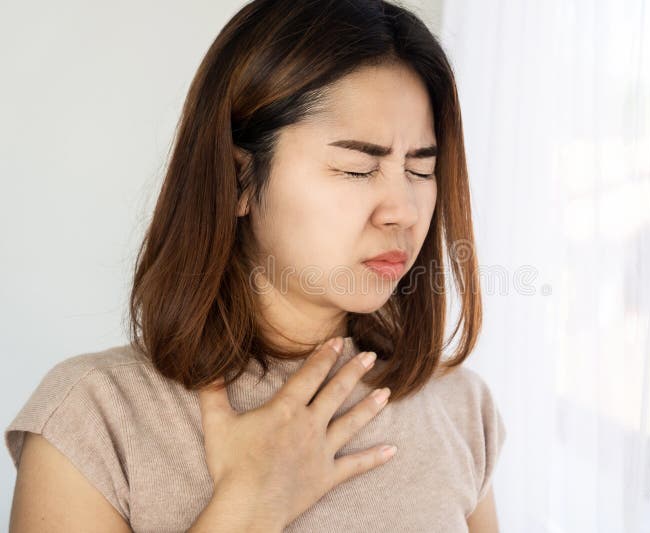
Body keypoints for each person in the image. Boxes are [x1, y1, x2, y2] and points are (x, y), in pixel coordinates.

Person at [5, 0, 507, 531]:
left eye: (421, 169)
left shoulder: (459, 408)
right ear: (239, 179)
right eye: (358, 168)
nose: (403, 211)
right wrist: (247, 508)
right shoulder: (93, 418)